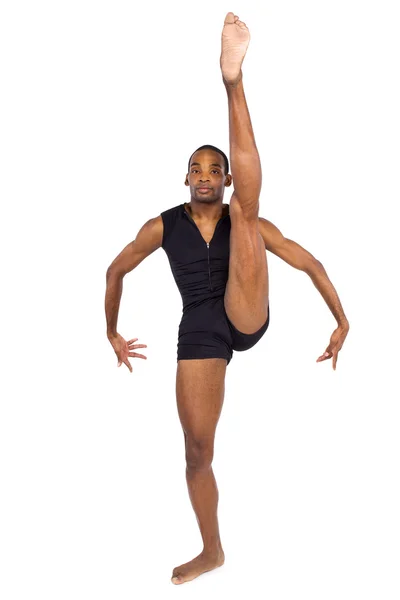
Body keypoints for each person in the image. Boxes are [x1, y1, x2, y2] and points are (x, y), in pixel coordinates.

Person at [105, 12, 350, 585]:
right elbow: (114, 270)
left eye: (217, 168)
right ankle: (212, 549)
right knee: (196, 452)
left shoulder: (247, 218)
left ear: (227, 178)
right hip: (202, 329)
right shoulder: (162, 226)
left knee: (250, 218)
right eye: (198, 169)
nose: (207, 174)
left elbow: (310, 263)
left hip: (247, 308)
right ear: (186, 179)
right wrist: (110, 333)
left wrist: (343, 321)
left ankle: (233, 82)